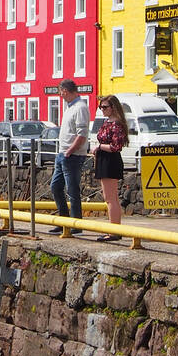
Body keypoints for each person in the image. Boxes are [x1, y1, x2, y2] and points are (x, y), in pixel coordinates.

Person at [50, 80, 90, 222]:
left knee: (72, 190)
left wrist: (70, 151)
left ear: (65, 90)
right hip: (63, 154)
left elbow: (82, 134)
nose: (60, 95)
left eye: (61, 92)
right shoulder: (69, 107)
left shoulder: (80, 107)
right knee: (55, 187)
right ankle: (63, 220)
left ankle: (75, 223)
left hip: (72, 155)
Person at [91, 95, 128, 240]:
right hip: (103, 159)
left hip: (110, 160)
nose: (102, 110)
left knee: (111, 198)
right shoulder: (108, 122)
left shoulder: (116, 124)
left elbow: (116, 147)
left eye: (105, 107)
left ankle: (114, 231)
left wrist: (99, 147)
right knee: (109, 197)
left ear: (113, 107)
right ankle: (113, 228)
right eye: (101, 107)